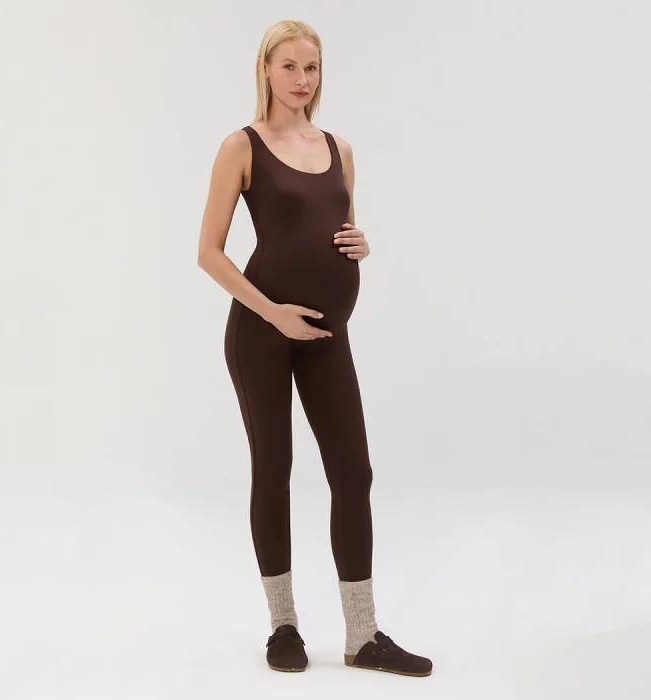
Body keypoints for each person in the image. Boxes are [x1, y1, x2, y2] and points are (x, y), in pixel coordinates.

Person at [197, 19, 433, 678]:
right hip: (262, 334)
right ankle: (283, 626)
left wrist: (361, 243)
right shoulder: (241, 147)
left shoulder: (339, 148)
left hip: (328, 335)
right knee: (274, 470)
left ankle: (363, 636)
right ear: (265, 69)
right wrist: (272, 312)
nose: (303, 80)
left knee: (354, 472)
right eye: (291, 67)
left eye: (313, 68)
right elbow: (208, 252)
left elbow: (337, 227)